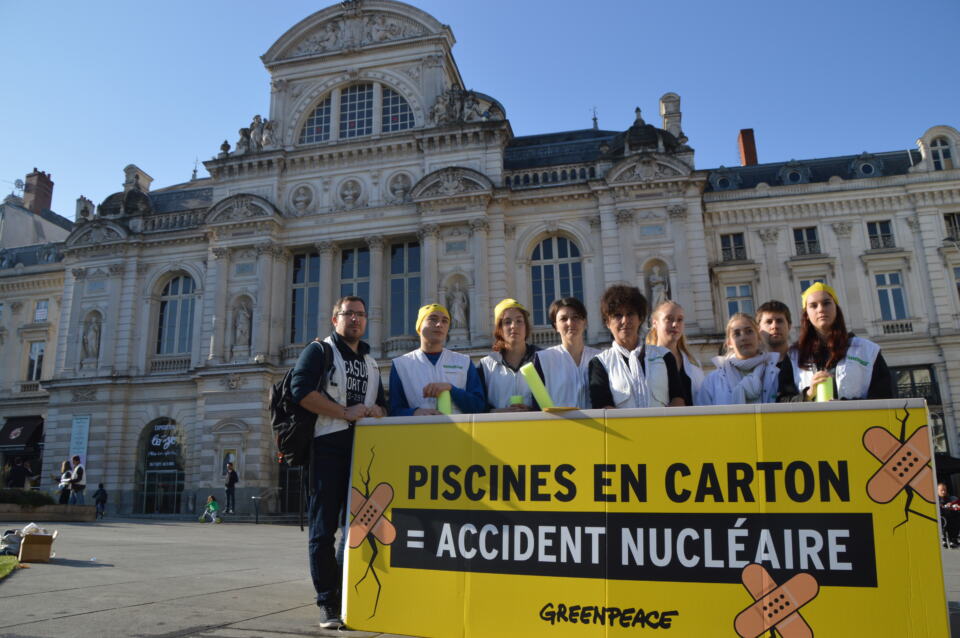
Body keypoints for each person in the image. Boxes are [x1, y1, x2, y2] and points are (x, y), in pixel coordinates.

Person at [291, 296, 387, 630]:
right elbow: (300, 390)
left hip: (363, 453)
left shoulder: (372, 362)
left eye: (361, 314)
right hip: (327, 447)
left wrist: (378, 411)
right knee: (323, 529)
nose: (356, 320)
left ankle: (346, 594)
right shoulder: (320, 351)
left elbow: (383, 405)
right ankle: (326, 602)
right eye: (349, 314)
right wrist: (344, 412)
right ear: (335, 320)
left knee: (357, 529)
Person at [782, 283, 893, 401]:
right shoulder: (794, 355)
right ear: (807, 315)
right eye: (813, 306)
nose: (821, 309)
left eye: (826, 303)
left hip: (855, 419)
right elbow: (782, 400)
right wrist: (808, 394)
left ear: (836, 308)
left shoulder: (867, 350)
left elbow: (884, 396)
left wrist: (844, 406)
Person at [590, 285, 686, 409]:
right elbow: (603, 407)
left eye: (630, 314)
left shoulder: (665, 356)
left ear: (640, 318)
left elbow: (678, 399)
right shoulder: (599, 363)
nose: (625, 320)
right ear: (607, 322)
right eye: (618, 315)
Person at [389, 304, 486, 416]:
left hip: (458, 432)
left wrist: (451, 389)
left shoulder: (464, 362)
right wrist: (414, 413)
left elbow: (479, 406)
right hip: (419, 431)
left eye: (445, 321)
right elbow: (394, 410)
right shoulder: (401, 365)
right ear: (419, 326)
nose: (439, 324)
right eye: (433, 319)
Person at [698, 313, 782, 405]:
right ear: (729, 343)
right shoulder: (713, 381)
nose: (744, 337)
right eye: (737, 334)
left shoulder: (777, 373)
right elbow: (702, 416)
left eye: (749, 331)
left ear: (758, 337)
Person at [532, 298, 599, 409]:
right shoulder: (543, 359)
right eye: (563, 319)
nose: (570, 323)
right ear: (555, 326)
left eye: (576, 317)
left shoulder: (601, 357)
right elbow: (537, 406)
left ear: (585, 322)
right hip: (558, 425)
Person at [477, 299, 540, 411]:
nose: (513, 326)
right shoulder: (485, 365)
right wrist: (496, 412)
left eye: (519, 321)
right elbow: (477, 405)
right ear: (499, 329)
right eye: (507, 322)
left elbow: (555, 399)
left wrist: (532, 410)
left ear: (526, 326)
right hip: (499, 428)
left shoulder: (542, 359)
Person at [647, 301, 704, 406]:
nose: (675, 324)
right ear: (655, 323)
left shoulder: (694, 364)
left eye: (680, 320)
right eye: (669, 319)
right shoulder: (645, 360)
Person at [939, 482, 960, 548]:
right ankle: (943, 539)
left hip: (951, 518)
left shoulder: (952, 498)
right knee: (942, 520)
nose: (943, 492)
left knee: (956, 518)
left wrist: (953, 505)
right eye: (941, 490)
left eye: (944, 490)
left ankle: (953, 540)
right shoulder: (935, 500)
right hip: (941, 518)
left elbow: (957, 505)